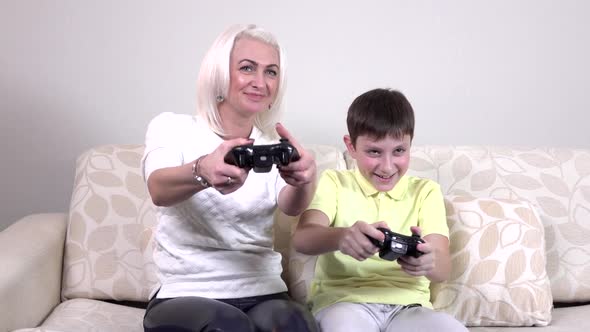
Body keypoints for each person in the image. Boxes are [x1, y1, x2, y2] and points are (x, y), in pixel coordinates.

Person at [141, 24, 319, 332]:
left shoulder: (273, 144)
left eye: (271, 72)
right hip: (187, 293)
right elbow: (158, 188)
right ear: (220, 74)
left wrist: (304, 180)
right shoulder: (173, 128)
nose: (260, 82)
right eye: (247, 68)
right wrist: (202, 171)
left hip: (264, 290)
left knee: (296, 325)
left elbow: (291, 206)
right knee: (230, 327)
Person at [292, 88, 467, 332]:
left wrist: (428, 262)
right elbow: (303, 238)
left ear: (410, 145)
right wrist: (342, 237)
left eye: (399, 151)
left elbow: (443, 267)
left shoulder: (425, 191)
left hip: (408, 307)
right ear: (351, 146)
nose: (387, 167)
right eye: (374, 151)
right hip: (343, 303)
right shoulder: (334, 182)